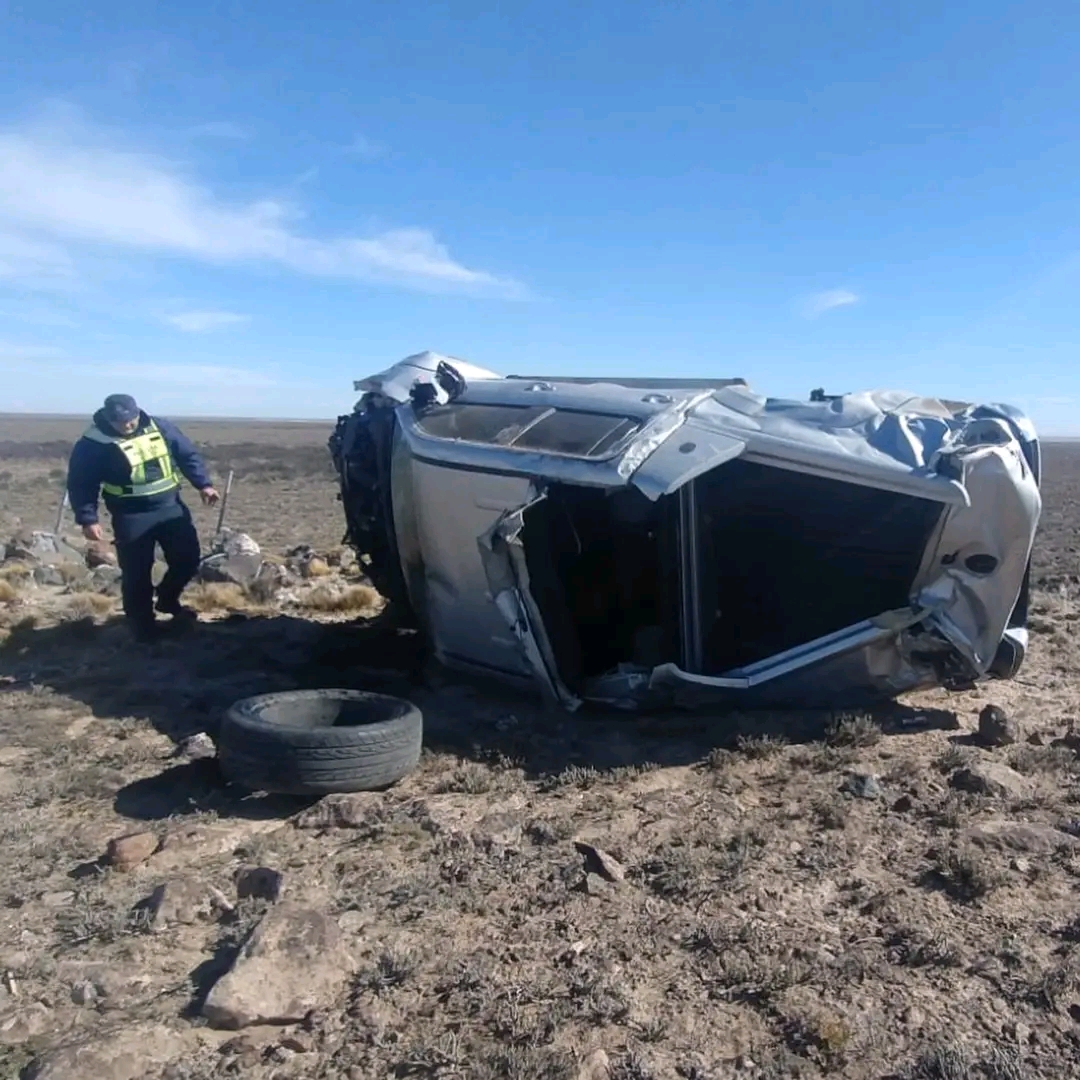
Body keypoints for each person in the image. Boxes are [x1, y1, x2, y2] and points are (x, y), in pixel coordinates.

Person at [66, 394, 220, 641]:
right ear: (108, 418)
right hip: (130, 514)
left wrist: (203, 484)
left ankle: (168, 599)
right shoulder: (93, 442)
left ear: (137, 412)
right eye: (120, 422)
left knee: (188, 559)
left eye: (130, 419)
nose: (127, 425)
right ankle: (142, 625)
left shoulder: (159, 426)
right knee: (137, 572)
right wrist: (88, 518)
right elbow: (81, 483)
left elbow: (187, 455)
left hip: (170, 506)